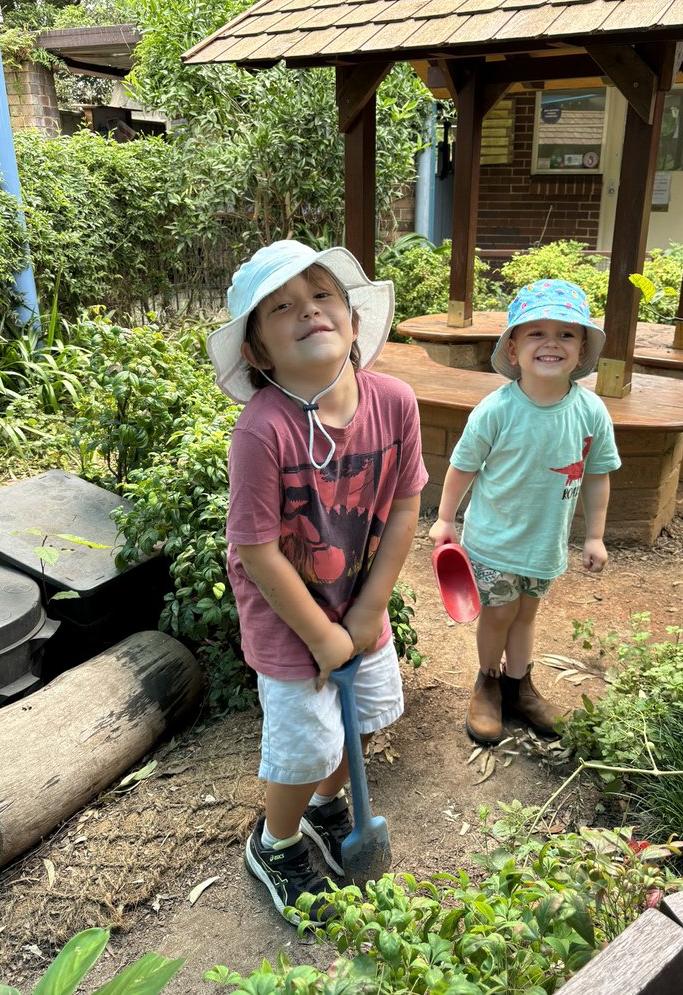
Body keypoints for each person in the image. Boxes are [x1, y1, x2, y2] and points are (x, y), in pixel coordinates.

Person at [207, 240, 427, 924]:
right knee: (306, 742)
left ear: (354, 321)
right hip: (289, 617)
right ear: (259, 353)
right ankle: (275, 842)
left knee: (355, 722)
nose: (308, 310)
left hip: (358, 605)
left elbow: (404, 506)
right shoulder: (262, 431)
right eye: (281, 306)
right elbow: (256, 548)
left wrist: (368, 611)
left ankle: (332, 806)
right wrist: (321, 636)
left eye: (323, 296)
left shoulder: (394, 403)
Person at [428, 280, 620, 743]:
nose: (551, 343)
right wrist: (445, 518)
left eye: (566, 334)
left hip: (545, 542)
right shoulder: (496, 410)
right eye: (536, 333)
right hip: (493, 542)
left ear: (581, 350)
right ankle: (487, 683)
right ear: (513, 349)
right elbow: (462, 466)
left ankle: (520, 686)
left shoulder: (591, 412)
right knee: (498, 615)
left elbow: (597, 474)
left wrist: (595, 535)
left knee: (527, 614)